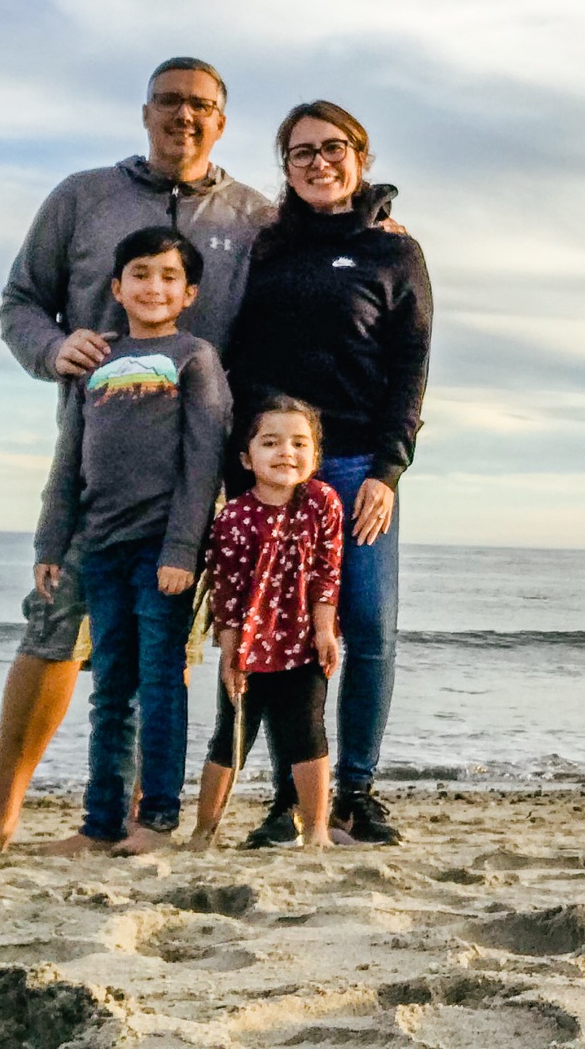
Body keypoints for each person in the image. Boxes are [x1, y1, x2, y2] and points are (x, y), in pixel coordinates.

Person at [0, 59, 273, 858]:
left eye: (202, 105)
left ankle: (142, 822)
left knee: (162, 657)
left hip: (195, 481)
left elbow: (310, 271)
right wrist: (54, 349)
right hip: (94, 470)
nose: (184, 115)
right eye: (169, 101)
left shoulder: (254, 215)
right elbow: (19, 302)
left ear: (222, 122)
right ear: (145, 111)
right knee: (53, 631)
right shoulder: (82, 198)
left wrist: (381, 223)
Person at [224, 101, 433, 846]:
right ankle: (290, 796)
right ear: (285, 167)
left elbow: (410, 367)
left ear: (360, 156)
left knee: (369, 626)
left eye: (333, 147)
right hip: (276, 468)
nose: (319, 162)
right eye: (301, 152)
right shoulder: (265, 247)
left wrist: (388, 469)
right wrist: (243, 467)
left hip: (355, 467)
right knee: (282, 635)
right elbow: (237, 352)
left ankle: (356, 794)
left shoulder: (394, 253)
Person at [35, 227, 231, 855]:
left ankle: (158, 821)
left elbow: (204, 462)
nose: (154, 287)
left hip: (160, 551)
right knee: (110, 688)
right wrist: (50, 543)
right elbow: (69, 458)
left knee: (160, 682)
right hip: (101, 547)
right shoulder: (97, 360)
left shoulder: (193, 357)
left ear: (189, 293)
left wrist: (182, 550)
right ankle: (101, 824)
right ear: (117, 287)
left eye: (169, 277)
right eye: (140, 274)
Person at [189, 397, 343, 851]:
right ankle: (203, 831)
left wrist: (325, 630)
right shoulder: (234, 518)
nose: (286, 453)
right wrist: (230, 655)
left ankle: (315, 830)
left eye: (299, 443)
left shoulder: (322, 502)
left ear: (315, 455)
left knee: (308, 733)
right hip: (249, 650)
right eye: (270, 443)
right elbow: (226, 596)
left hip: (304, 644)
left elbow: (327, 573)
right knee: (230, 738)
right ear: (246, 458)